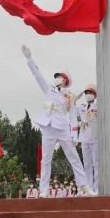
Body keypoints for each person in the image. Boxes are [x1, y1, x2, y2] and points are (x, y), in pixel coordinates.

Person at [21, 44, 97, 197]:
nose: (56, 78)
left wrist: (74, 135)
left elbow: (73, 117)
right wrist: (30, 59)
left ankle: (84, 186)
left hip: (62, 127)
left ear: (64, 80)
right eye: (56, 76)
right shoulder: (49, 89)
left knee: (74, 158)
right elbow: (38, 76)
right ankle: (43, 190)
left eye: (58, 77)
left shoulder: (70, 96)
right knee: (46, 159)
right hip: (48, 126)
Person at [76, 84, 99, 192]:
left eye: (90, 93)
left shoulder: (98, 106)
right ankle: (89, 187)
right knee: (87, 164)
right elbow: (71, 104)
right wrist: (80, 93)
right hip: (84, 135)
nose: (88, 95)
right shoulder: (82, 106)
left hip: (94, 135)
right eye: (87, 93)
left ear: (94, 95)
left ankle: (97, 187)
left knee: (96, 163)